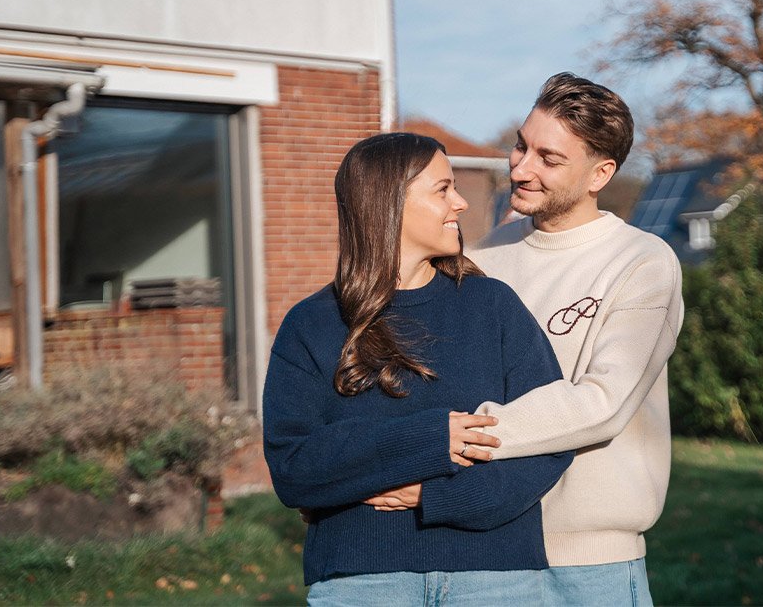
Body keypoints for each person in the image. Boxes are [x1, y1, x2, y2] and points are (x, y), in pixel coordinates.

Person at [369, 73, 684, 606]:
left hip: (592, 566)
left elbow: (603, 403)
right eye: (521, 146)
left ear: (600, 173)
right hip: (484, 551)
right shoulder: (483, 257)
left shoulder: (642, 262)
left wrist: (456, 435)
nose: (520, 168)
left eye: (548, 159)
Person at [262, 133, 573, 606]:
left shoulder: (493, 306)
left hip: (496, 579)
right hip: (362, 582)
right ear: (387, 202)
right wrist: (429, 439)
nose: (460, 203)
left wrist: (436, 496)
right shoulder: (312, 323)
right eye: (443, 189)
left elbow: (551, 437)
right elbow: (294, 468)